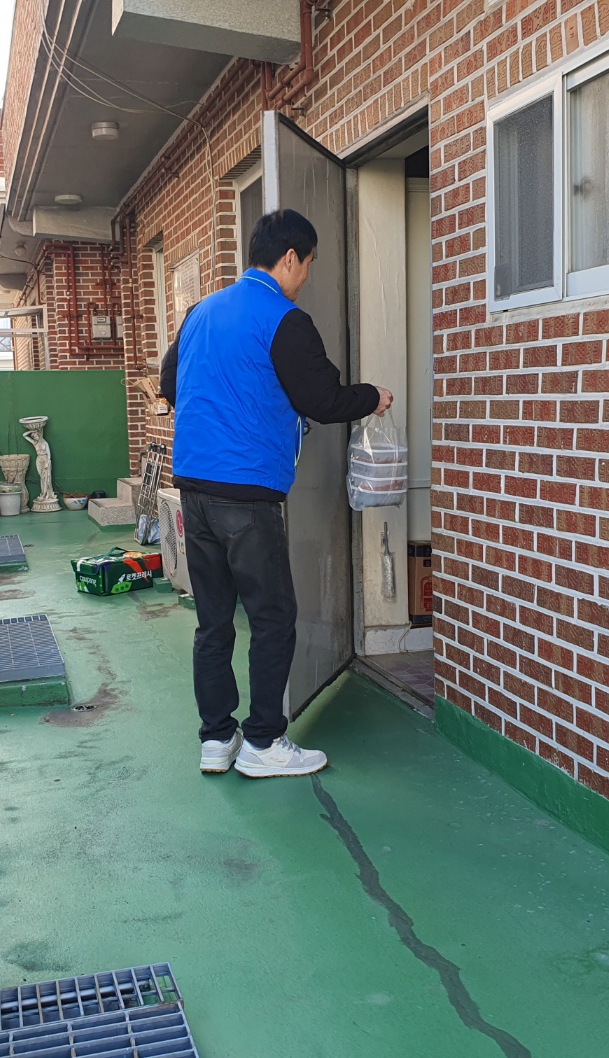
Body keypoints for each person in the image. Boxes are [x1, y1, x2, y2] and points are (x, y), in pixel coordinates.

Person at [160, 209, 394, 779]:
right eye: (307, 264)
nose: (306, 276)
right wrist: (373, 397)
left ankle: (217, 738)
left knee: (214, 620)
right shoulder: (284, 319)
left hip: (194, 489)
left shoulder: (199, 312)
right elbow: (322, 400)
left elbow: (170, 383)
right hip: (247, 494)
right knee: (272, 617)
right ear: (289, 258)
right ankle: (264, 741)